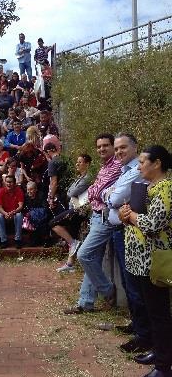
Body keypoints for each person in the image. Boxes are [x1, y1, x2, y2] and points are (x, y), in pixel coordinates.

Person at [119, 145, 172, 377]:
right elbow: (134, 214)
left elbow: (153, 225)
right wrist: (125, 213)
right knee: (152, 310)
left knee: (159, 313)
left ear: (157, 163)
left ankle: (164, 365)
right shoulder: (145, 186)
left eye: (142, 162)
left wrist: (131, 217)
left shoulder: (165, 188)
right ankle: (157, 350)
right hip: (139, 259)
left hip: (154, 261)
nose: (138, 167)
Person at [103, 133, 151, 353]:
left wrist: (110, 196)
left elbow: (113, 199)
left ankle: (143, 335)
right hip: (120, 230)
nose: (119, 151)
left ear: (134, 148)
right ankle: (137, 326)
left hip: (130, 232)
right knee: (127, 282)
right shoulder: (123, 171)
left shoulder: (135, 172)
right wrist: (110, 195)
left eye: (123, 148)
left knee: (134, 285)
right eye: (117, 148)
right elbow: (106, 194)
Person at [64, 133, 122, 314]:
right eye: (99, 147)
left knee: (84, 255)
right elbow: (93, 191)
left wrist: (95, 191)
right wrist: (95, 191)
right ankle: (86, 302)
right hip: (96, 216)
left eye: (106, 145)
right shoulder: (104, 167)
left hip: (104, 218)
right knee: (93, 258)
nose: (102, 149)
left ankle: (108, 290)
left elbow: (96, 192)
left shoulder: (117, 166)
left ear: (113, 147)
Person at [53, 154, 92, 273]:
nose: (77, 164)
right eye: (77, 162)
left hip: (80, 210)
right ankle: (70, 263)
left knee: (53, 223)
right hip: (75, 208)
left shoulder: (88, 178)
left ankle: (73, 244)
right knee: (74, 233)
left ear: (87, 164)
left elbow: (71, 193)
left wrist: (72, 193)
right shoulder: (80, 177)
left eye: (80, 162)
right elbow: (69, 191)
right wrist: (72, 193)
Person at [0, 175, 24, 248]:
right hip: (5, 214)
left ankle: (18, 240)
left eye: (10, 182)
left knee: (19, 215)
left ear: (14, 183)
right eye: (7, 182)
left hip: (15, 213)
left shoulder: (18, 191)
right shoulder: (1, 191)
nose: (9, 184)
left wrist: (14, 212)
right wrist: (5, 213)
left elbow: (20, 206)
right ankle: (3, 241)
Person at [23, 181, 48, 246]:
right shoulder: (26, 196)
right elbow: (25, 208)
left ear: (36, 189)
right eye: (28, 189)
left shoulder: (41, 195)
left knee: (41, 222)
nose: (29, 191)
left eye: (31, 189)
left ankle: (45, 240)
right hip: (31, 217)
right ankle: (34, 241)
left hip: (41, 215)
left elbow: (45, 208)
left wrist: (34, 212)